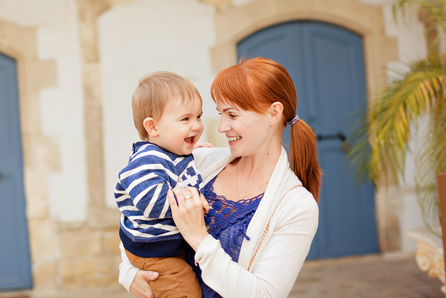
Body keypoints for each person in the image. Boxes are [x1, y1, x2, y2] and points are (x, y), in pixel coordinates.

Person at [119, 57, 321, 297]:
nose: (221, 127)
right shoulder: (199, 161)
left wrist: (198, 237)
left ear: (273, 113)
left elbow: (264, 293)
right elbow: (136, 221)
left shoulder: (296, 206)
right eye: (220, 114)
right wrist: (128, 274)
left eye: (232, 115)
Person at [115, 71, 210, 298]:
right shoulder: (146, 161)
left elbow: (174, 170)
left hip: (164, 247)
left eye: (199, 116)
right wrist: (193, 200)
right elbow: (153, 203)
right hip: (155, 252)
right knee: (183, 289)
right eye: (185, 119)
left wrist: (190, 153)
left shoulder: (171, 153)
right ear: (153, 127)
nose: (196, 126)